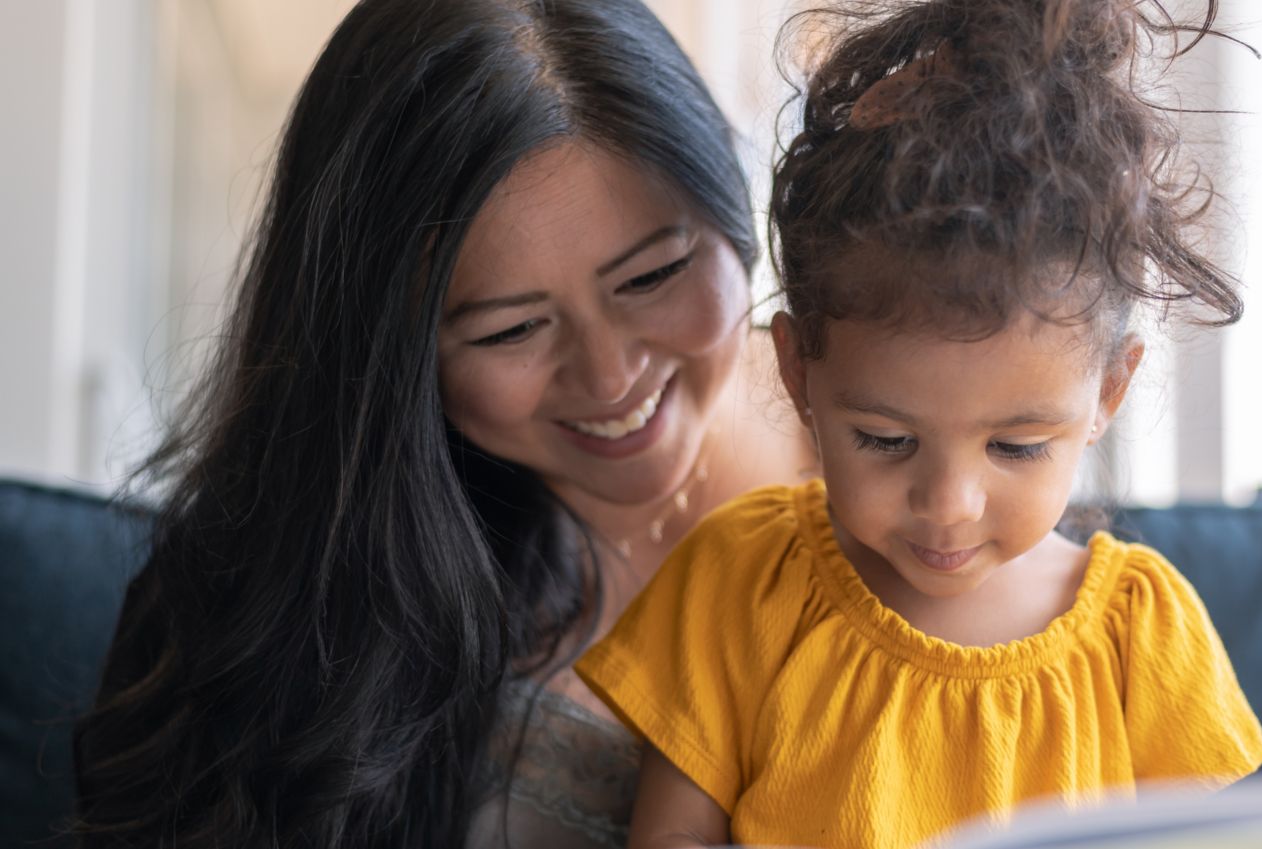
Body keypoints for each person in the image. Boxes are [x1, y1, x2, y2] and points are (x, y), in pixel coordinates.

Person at [70, 1, 810, 847]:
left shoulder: (936, 459)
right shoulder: (270, 600)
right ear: (387, 358)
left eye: (652, 276)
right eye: (510, 329)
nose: (609, 377)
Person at [574, 1, 1262, 847]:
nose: (947, 503)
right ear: (798, 370)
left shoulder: (1143, 632)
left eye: (1016, 446)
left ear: (1107, 393)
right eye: (885, 439)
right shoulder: (741, 581)